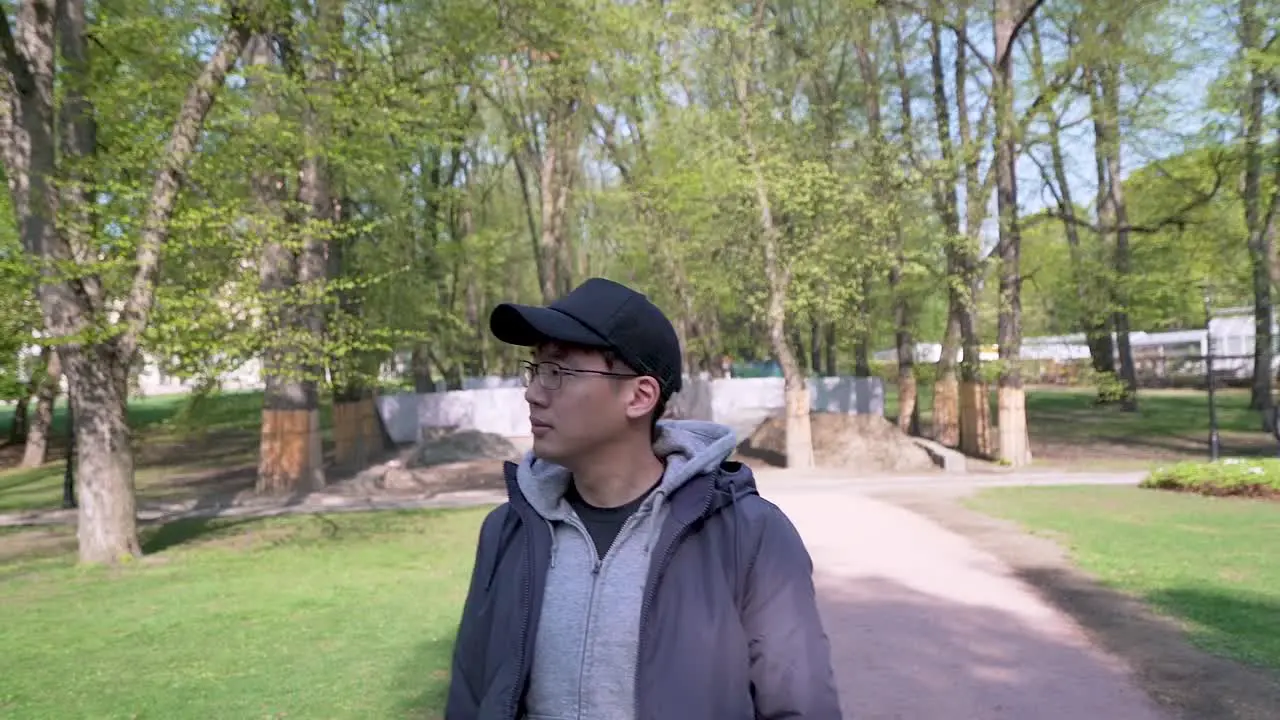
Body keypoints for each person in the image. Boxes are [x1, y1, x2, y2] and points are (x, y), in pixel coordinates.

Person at [445, 277, 841, 720]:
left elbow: (801, 706)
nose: (533, 392)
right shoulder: (507, 530)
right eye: (534, 369)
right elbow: (470, 694)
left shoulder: (749, 534)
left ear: (639, 396)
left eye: (558, 371)